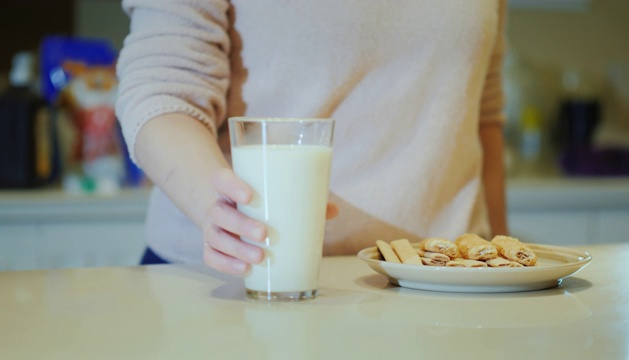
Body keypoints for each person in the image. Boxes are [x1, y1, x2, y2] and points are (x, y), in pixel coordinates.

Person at [116, 0, 509, 274]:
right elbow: (161, 96)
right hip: (247, 276)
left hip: (442, 282)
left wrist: (502, 262)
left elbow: (481, 115)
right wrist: (216, 207)